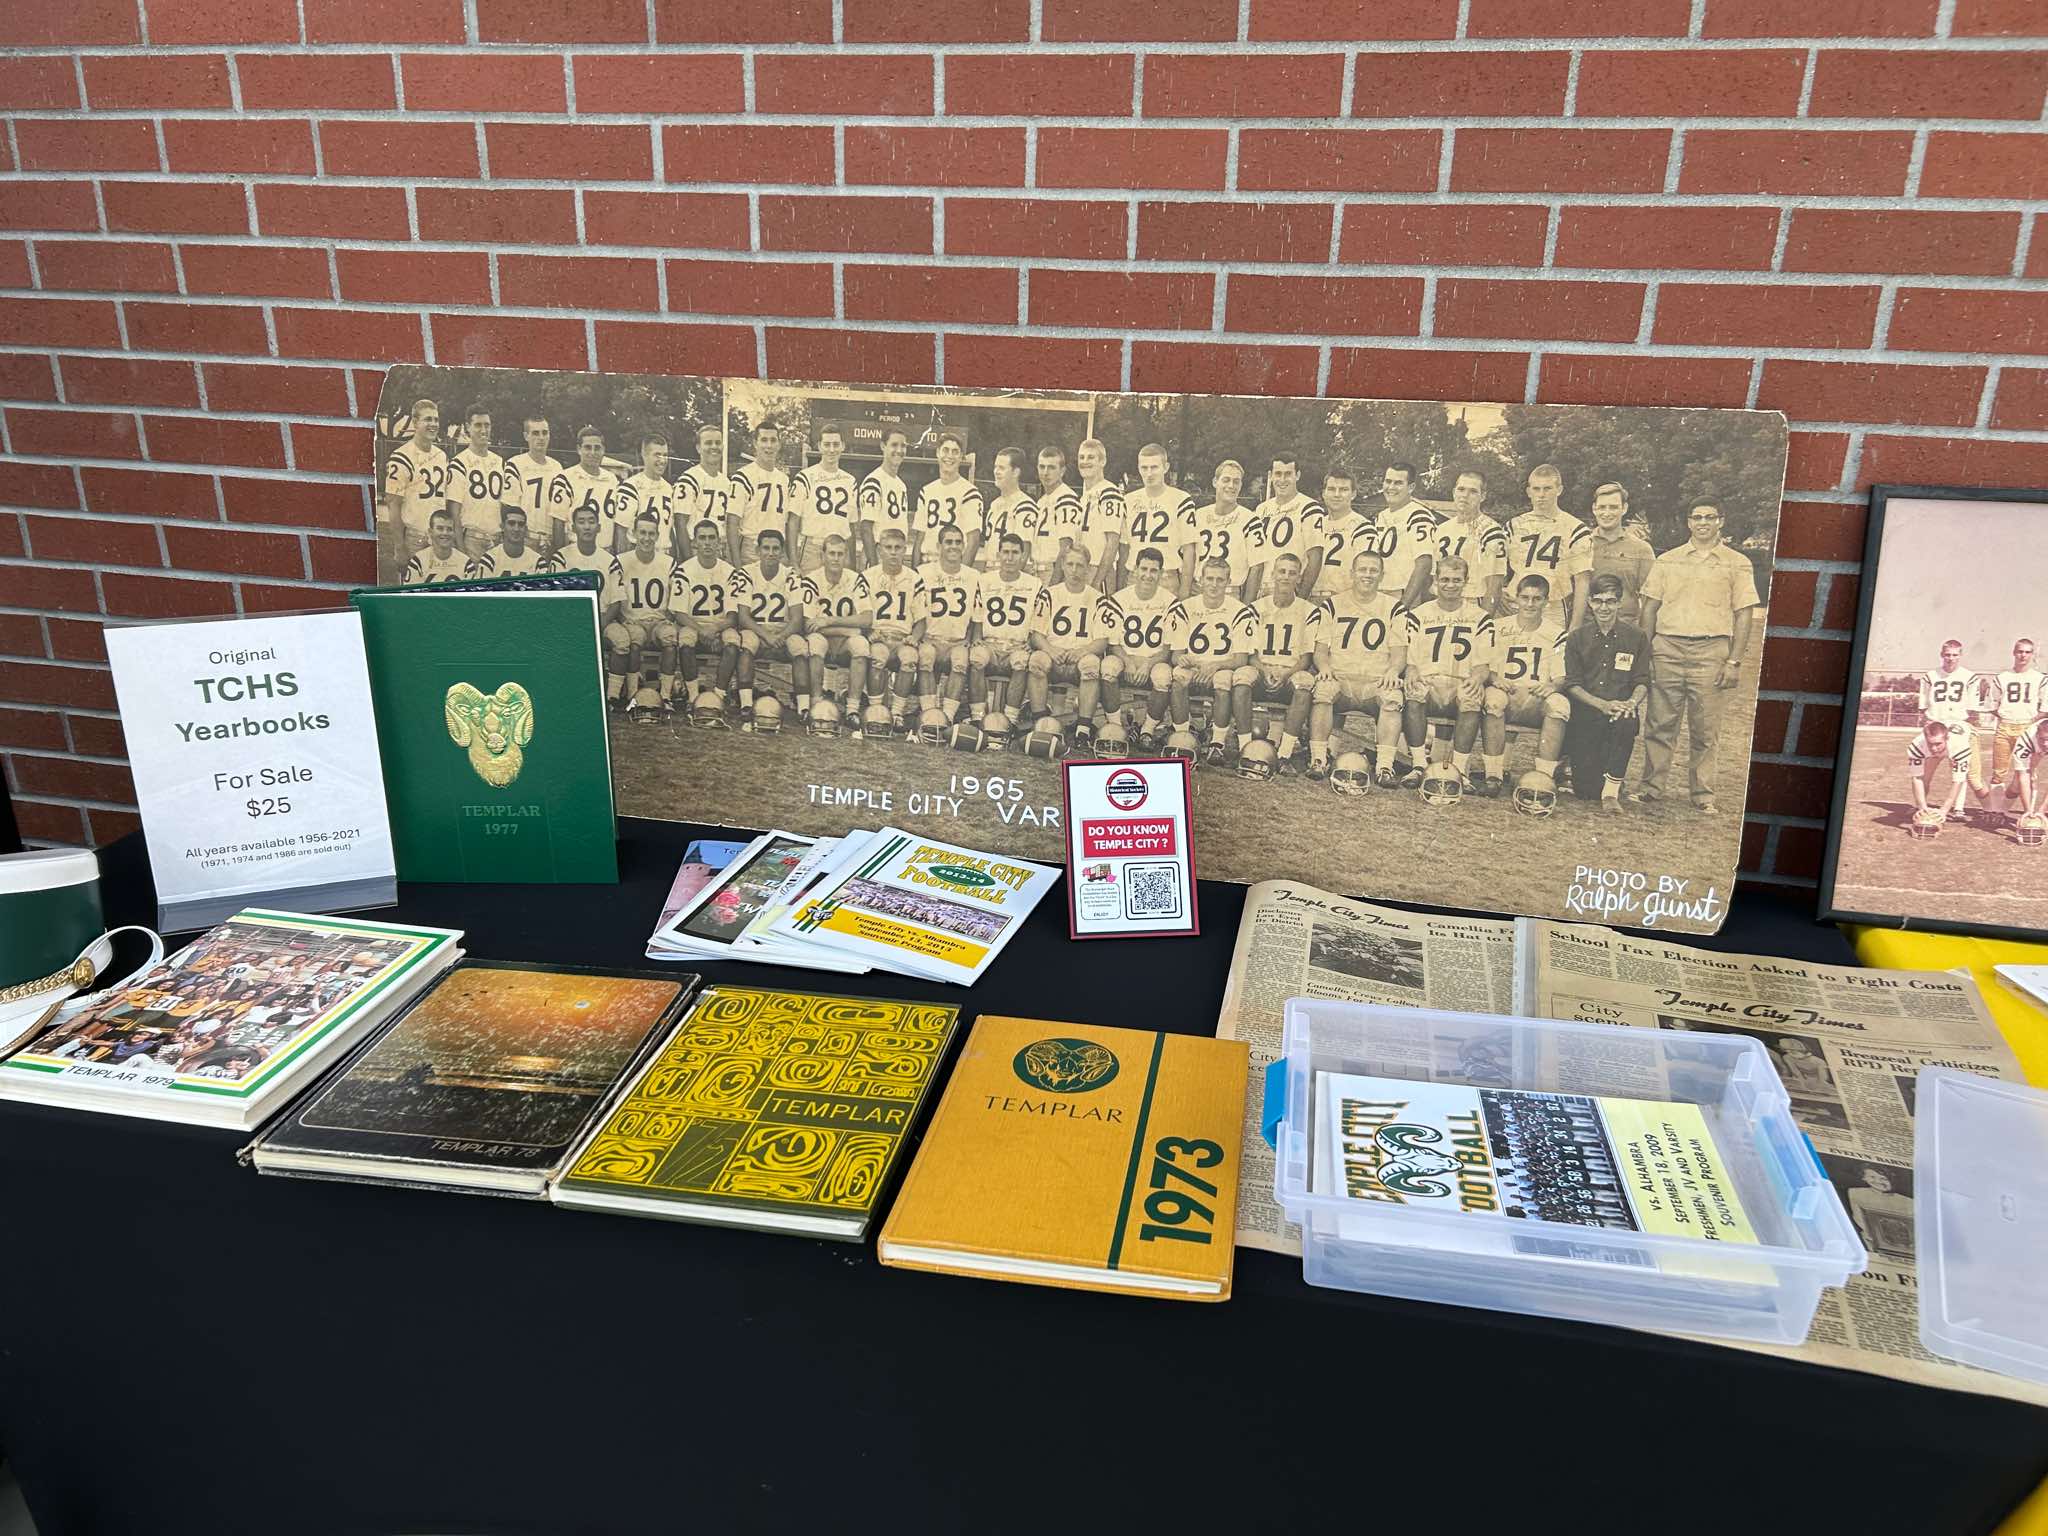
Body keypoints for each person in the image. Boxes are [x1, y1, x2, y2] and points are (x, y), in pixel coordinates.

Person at [1638, 502, 1761, 814]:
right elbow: (1649, 609)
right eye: (1697, 517)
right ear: (1688, 522)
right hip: (1667, 648)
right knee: (1660, 724)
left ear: (1721, 521)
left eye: (1710, 517)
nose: (1703, 522)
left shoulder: (1737, 563)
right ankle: (1651, 788)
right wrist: (1646, 653)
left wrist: (1734, 662)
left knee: (1705, 729)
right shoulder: (1668, 559)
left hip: (1711, 651)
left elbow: (1744, 615)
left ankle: (1703, 794)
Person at [1310, 550, 1407, 784]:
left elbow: (1399, 654)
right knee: (1323, 689)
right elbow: (1320, 651)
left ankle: (1385, 767)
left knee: (1392, 697)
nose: (1368, 575)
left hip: (1374, 682)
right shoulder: (1333, 605)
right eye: (1362, 569)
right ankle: (1318, 759)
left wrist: (1393, 671)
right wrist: (1324, 667)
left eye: (1374, 570)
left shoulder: (1394, 607)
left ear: (1382, 575)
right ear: (1352, 573)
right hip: (1341, 680)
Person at [1399, 555, 1495, 789]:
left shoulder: (1480, 618)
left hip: (1460, 681)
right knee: (1414, 689)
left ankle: (1459, 769)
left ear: (1466, 581)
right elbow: (1411, 659)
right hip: (1430, 680)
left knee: (1471, 694)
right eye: (1445, 579)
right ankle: (1418, 765)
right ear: (1435, 580)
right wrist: (1411, 670)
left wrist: (1477, 678)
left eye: (1456, 580)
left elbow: (1483, 666)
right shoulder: (1418, 614)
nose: (1450, 585)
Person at [1561, 573, 1651, 810]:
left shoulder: (1637, 637)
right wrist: (1601, 704)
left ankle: (1611, 791)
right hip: (1587, 712)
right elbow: (1572, 684)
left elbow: (1642, 680)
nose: (1604, 607)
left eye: (1610, 601)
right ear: (1590, 602)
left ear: (1619, 603)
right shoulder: (1577, 638)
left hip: (1619, 712)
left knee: (1627, 720)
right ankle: (1596, 775)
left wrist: (1631, 703)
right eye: (1598, 601)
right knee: (1586, 792)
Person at [1483, 573, 1573, 797]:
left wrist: (1553, 687)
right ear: (1516, 599)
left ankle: (1543, 778)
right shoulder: (1497, 627)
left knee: (1560, 705)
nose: (1530, 604)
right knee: (1493, 700)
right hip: (1507, 693)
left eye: (1537, 598)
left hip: (1536, 698)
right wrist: (1495, 679)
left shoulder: (1556, 633)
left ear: (1546, 601)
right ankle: (1493, 775)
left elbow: (1560, 676)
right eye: (1525, 598)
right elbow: (1486, 666)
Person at [1167, 556, 1259, 763]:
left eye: (1220, 580)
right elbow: (1176, 655)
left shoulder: (1240, 611)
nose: (1214, 584)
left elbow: (1241, 659)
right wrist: (1184, 660)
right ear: (1201, 580)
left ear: (1228, 582)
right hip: (1195, 665)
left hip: (1224, 666)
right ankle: (1182, 737)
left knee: (1223, 681)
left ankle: (1217, 743)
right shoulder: (1185, 607)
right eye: (1209, 579)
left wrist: (1215, 666)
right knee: (1178, 676)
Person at [1028, 545, 1114, 747]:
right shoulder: (1049, 594)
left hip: (1080, 658)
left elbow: (1102, 641)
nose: (1074, 570)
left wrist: (1083, 651)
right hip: (1054, 656)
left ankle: (1083, 729)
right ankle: (1040, 723)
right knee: (1037, 660)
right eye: (1070, 564)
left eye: (1080, 565)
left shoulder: (1098, 599)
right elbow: (1037, 634)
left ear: (1088, 569)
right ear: (1062, 566)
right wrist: (1050, 650)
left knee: (1092, 664)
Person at [1104, 546, 1180, 747]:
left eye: (1154, 570)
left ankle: (1147, 729)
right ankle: (1116, 727)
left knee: (1164, 676)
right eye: (1144, 569)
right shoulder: (1119, 599)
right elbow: (1113, 644)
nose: (1148, 575)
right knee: (1108, 667)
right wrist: (1128, 661)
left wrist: (1147, 664)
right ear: (1135, 570)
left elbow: (1167, 649)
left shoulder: (1170, 602)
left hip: (1154, 659)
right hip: (1124, 656)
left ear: (1161, 573)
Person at [1122, 442, 1198, 595]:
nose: (1149, 473)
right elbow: (1124, 547)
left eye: (1154, 467)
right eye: (1144, 468)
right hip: (1135, 576)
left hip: (1166, 577)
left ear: (1166, 467)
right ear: (1138, 468)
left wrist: (1184, 590)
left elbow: (1189, 550)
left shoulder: (1181, 499)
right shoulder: (1128, 500)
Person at [1579, 482, 1655, 626]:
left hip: (1627, 629)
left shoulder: (1642, 549)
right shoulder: (1581, 545)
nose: (1607, 513)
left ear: (1624, 508)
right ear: (1594, 508)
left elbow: (1649, 600)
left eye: (1613, 507)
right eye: (1602, 507)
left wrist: (1643, 635)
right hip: (1587, 629)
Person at [792, 420, 858, 573]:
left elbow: (851, 526)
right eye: (827, 444)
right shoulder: (805, 477)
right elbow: (793, 521)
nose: (831, 449)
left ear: (843, 446)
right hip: (813, 548)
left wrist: (853, 564)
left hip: (840, 549)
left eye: (836, 444)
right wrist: (794, 561)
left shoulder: (850, 481)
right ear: (819, 446)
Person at [447, 405, 510, 562]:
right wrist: (460, 549)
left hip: (496, 539)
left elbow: (504, 506)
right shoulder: (459, 462)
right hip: (471, 539)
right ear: (468, 427)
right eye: (478, 425)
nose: (483, 430)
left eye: (487, 425)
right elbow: (454, 511)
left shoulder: (500, 462)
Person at [731, 419, 792, 567]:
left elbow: (787, 522)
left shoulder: (784, 480)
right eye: (764, 440)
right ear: (755, 443)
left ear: (779, 444)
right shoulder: (743, 476)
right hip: (752, 548)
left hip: (778, 548)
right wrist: (737, 564)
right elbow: (732, 522)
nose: (769, 445)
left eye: (773, 440)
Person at [402, 508, 473, 585]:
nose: (445, 533)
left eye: (449, 529)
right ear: (430, 532)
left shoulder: (466, 563)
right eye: (440, 528)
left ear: (454, 533)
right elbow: (410, 592)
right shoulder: (418, 561)